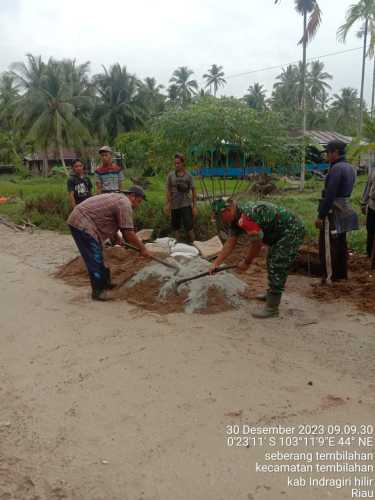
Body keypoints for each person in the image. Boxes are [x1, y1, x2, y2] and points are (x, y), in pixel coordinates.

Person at [210, 199, 305, 318]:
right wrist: (216, 263)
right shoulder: (235, 218)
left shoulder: (246, 218)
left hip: (290, 230)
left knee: (277, 263)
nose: (220, 220)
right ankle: (271, 294)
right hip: (278, 232)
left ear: (228, 210)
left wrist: (247, 262)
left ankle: (272, 308)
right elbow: (230, 242)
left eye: (220, 216)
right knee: (271, 260)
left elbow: (257, 244)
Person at [67, 186, 151, 301]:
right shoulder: (125, 204)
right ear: (132, 196)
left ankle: (105, 284)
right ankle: (98, 292)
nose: (137, 205)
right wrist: (143, 249)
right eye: (138, 201)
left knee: (98, 255)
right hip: (82, 222)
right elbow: (128, 233)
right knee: (94, 257)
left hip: (84, 219)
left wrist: (116, 237)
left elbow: (108, 218)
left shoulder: (119, 199)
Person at [315, 141, 358, 282]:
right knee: (340, 243)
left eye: (328, 152)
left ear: (335, 152)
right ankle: (340, 275)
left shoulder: (336, 168)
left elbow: (330, 195)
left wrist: (321, 215)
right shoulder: (349, 167)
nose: (326, 155)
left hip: (333, 211)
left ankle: (328, 276)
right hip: (344, 208)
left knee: (327, 244)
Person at [165, 153, 197, 242]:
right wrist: (168, 204)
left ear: (183, 163)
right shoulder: (171, 175)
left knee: (189, 226)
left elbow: (194, 191)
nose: (176, 165)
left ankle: (195, 244)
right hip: (174, 204)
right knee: (176, 227)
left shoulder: (189, 176)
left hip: (186, 204)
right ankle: (177, 245)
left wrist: (194, 206)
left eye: (178, 163)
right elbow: (168, 190)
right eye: (175, 163)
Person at [361, 164, 375, 261]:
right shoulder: (373, 170)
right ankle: (369, 254)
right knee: (370, 229)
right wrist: (363, 202)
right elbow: (368, 185)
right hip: (372, 205)